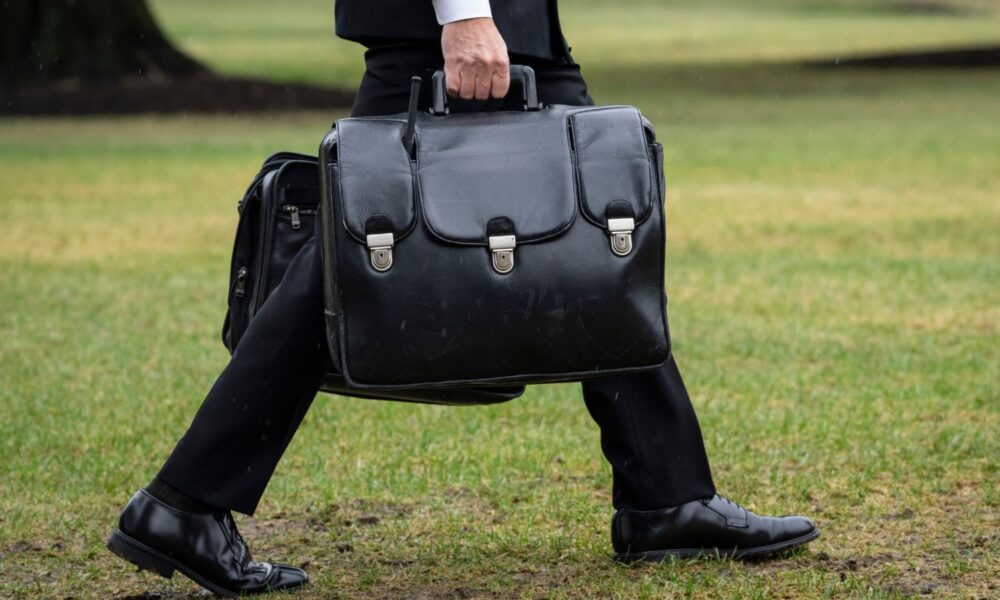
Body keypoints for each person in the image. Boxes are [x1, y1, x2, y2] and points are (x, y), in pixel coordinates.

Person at [106, 1, 819, 596]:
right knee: (371, 258)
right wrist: (465, 13)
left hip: (492, 20)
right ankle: (184, 503)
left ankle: (667, 496)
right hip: (451, 22)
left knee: (585, 247)